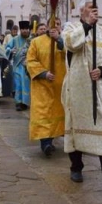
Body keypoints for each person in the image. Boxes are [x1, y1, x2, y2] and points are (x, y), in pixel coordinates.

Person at [61, 0, 102, 190]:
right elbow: (71, 45)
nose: (93, 11)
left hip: (100, 87)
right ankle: (76, 167)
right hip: (78, 88)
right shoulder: (71, 28)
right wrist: (86, 25)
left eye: (95, 9)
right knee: (76, 127)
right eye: (89, 9)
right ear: (81, 12)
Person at [26, 18, 66, 157]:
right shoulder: (36, 42)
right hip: (42, 86)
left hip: (60, 86)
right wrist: (43, 73)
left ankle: (55, 138)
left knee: (57, 113)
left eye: (58, 24)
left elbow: (72, 56)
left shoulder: (66, 41)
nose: (55, 27)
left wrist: (60, 41)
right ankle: (46, 143)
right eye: (52, 24)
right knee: (43, 113)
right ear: (48, 26)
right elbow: (30, 61)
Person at [6, 21, 32, 111]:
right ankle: (18, 102)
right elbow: (7, 48)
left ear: (28, 30)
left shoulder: (31, 39)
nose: (25, 31)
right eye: (23, 29)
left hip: (27, 66)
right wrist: (11, 50)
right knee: (18, 84)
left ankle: (25, 102)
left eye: (26, 29)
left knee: (26, 84)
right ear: (20, 30)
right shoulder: (15, 39)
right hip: (17, 65)